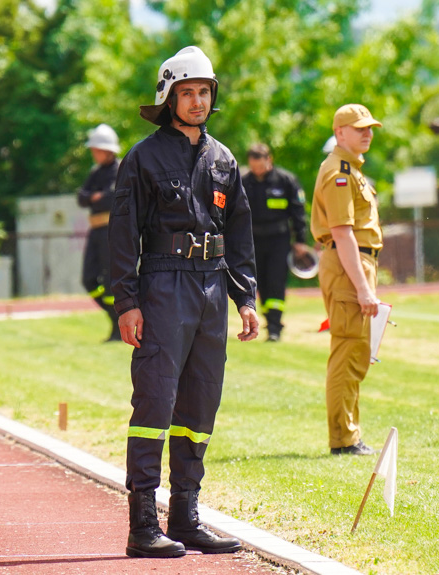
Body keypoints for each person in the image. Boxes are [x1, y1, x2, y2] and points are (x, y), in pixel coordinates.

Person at [109, 46, 259, 559]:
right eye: (187, 92)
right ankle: (143, 523)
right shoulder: (142, 158)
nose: (197, 101)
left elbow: (239, 233)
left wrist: (246, 297)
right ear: (168, 97)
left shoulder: (223, 159)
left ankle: (186, 517)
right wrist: (127, 301)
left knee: (199, 403)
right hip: (162, 285)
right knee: (154, 401)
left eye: (204, 92)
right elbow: (123, 235)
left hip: (212, 287)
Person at [310, 104, 383, 456]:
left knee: (356, 350)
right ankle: (343, 438)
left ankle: (349, 434)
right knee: (347, 349)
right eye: (359, 128)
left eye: (369, 128)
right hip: (348, 264)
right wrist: (363, 287)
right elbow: (342, 233)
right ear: (340, 132)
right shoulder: (339, 173)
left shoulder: (350, 170)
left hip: (353, 263)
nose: (367, 133)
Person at [241, 143, 308, 341]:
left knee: (276, 281)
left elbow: (298, 212)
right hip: (254, 240)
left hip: (279, 239)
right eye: (253, 167)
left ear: (269, 160)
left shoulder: (285, 181)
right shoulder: (245, 182)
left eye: (260, 166)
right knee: (260, 282)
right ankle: (268, 319)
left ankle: (275, 327)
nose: (257, 171)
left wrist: (300, 240)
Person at [77, 124, 122, 341]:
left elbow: (112, 197)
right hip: (95, 231)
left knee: (112, 280)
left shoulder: (120, 170)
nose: (93, 154)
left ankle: (118, 326)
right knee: (89, 279)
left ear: (108, 150)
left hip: (111, 232)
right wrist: (95, 196)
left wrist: (95, 197)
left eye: (96, 149)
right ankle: (113, 318)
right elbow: (81, 198)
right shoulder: (95, 173)